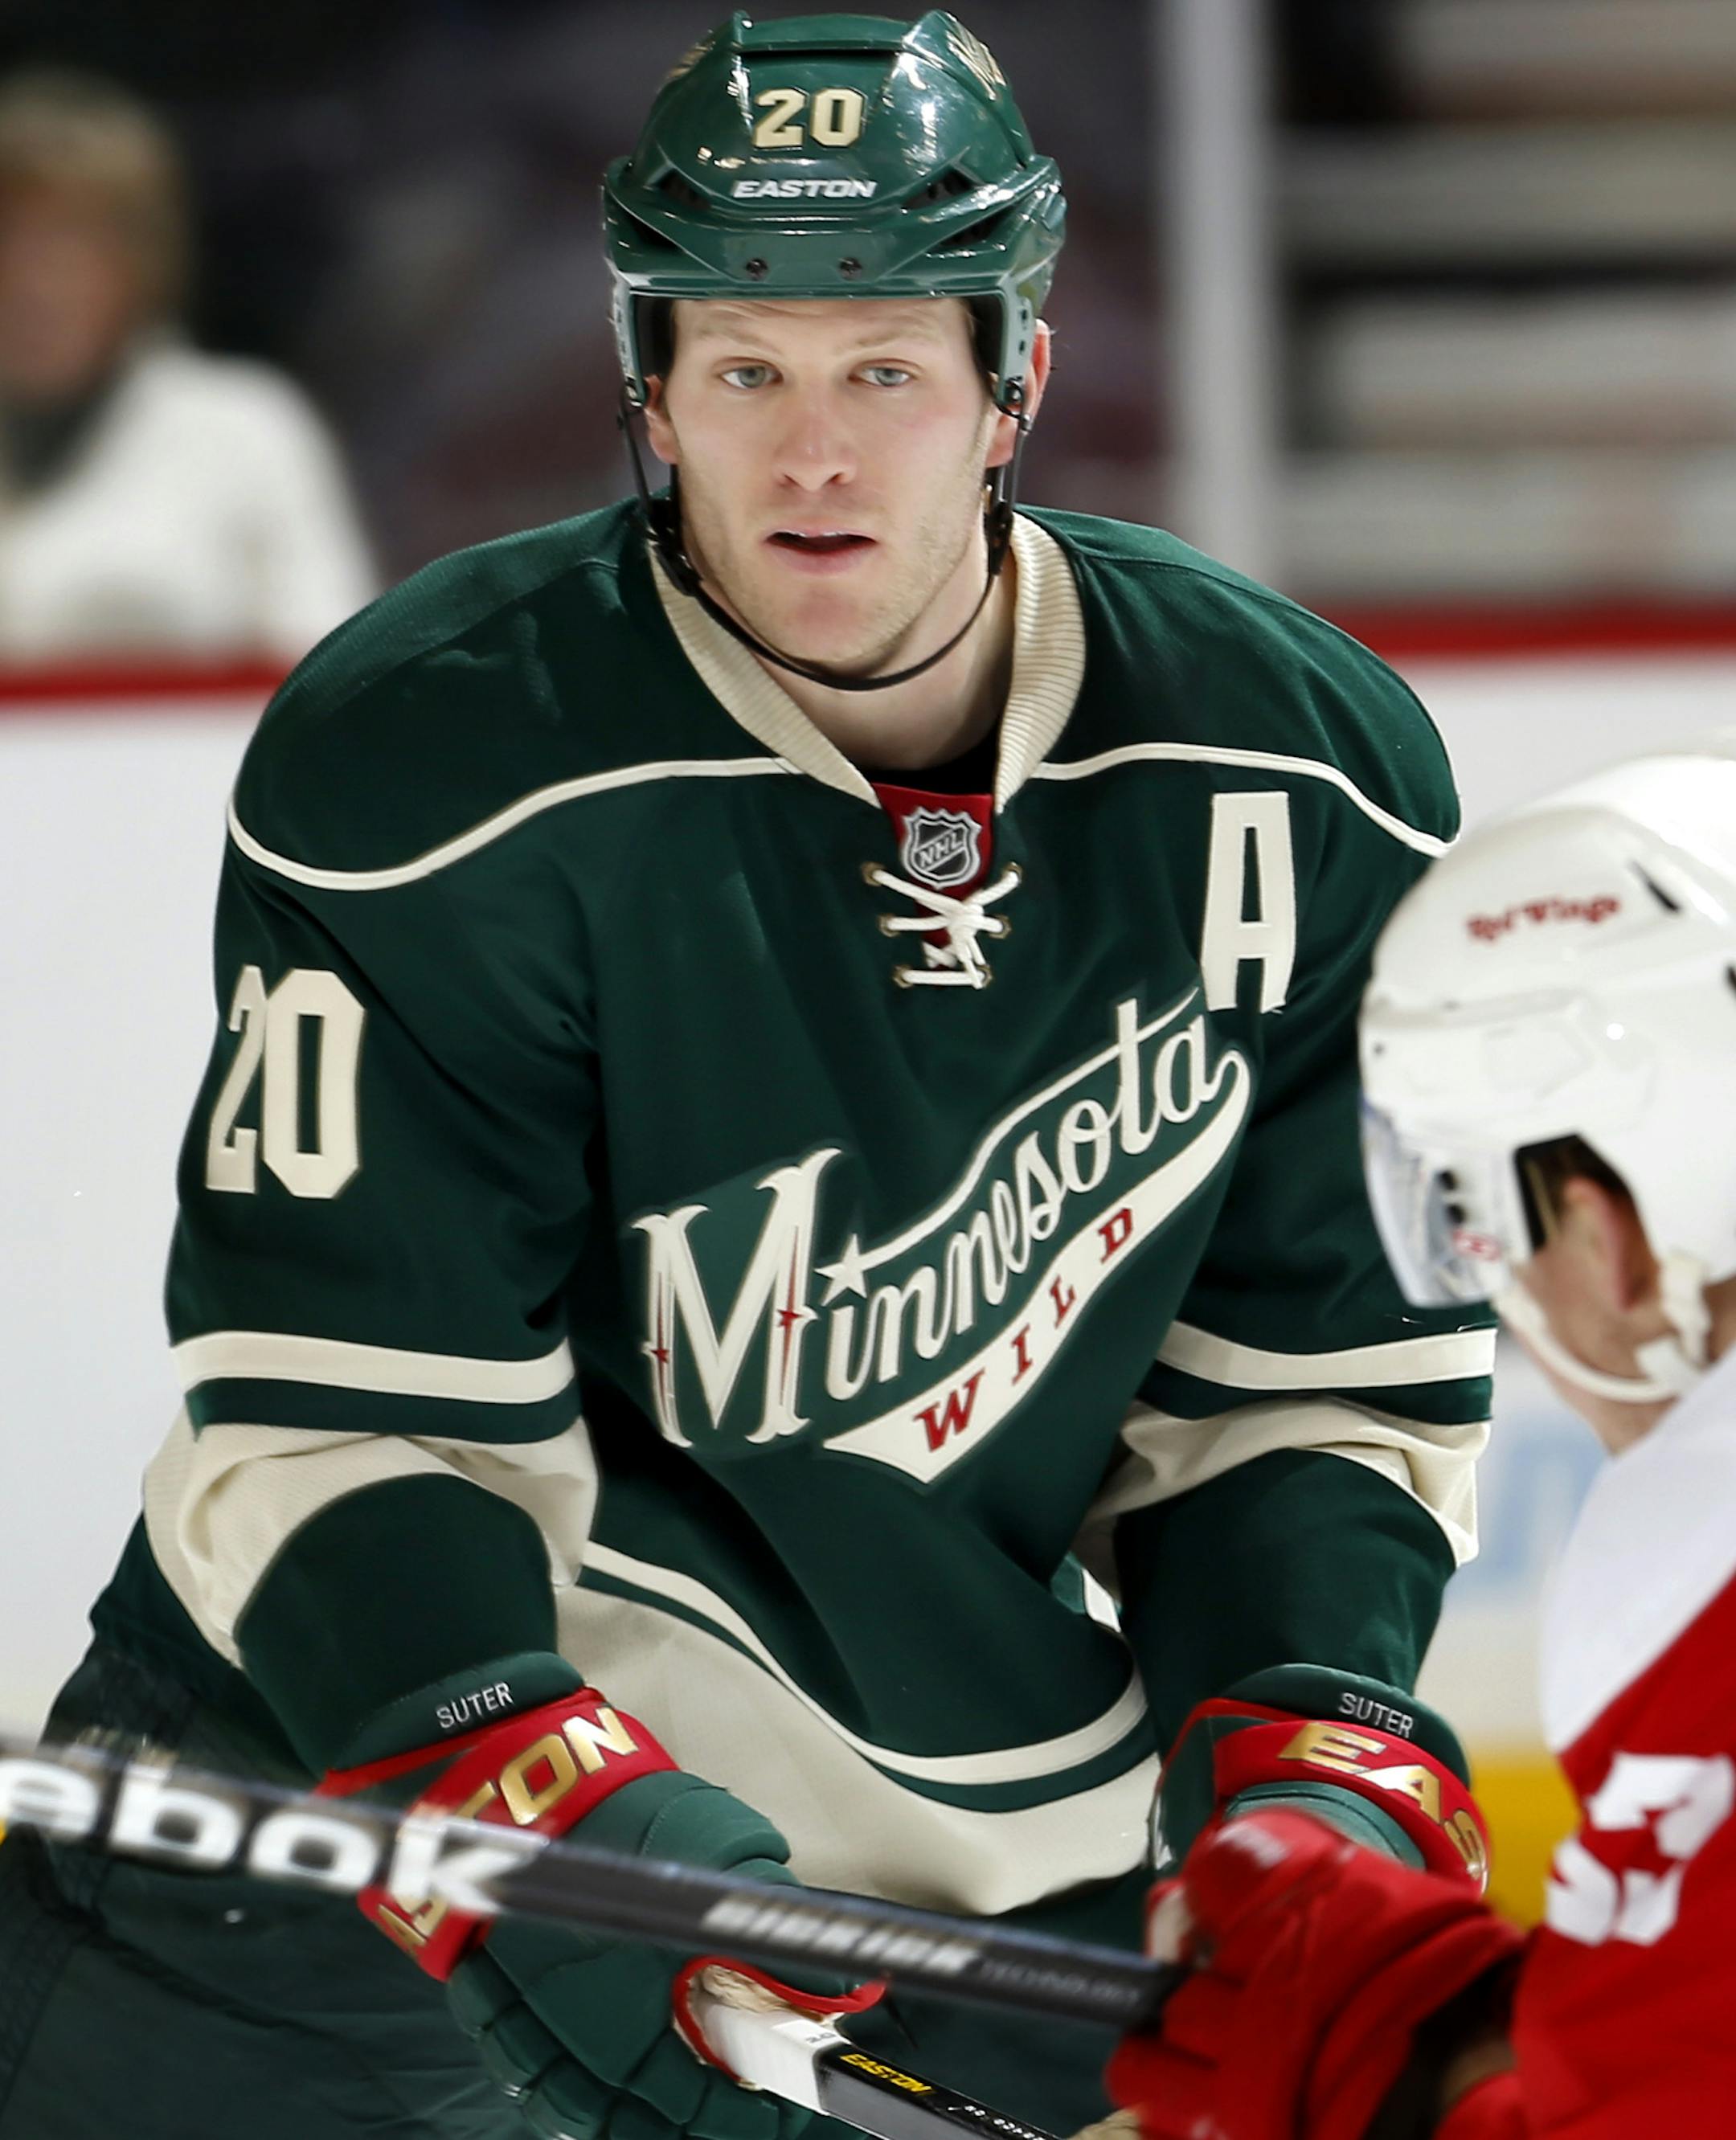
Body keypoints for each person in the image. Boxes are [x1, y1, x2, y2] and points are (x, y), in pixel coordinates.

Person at [0, 14, 1496, 2140]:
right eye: (747, 370)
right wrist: (556, 1823)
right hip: (347, 1794)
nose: (814, 453)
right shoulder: (438, 761)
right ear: (651, 390)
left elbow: (1305, 1383)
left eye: (883, 367)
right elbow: (343, 1419)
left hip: (957, 1856)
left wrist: (1307, 1757)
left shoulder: (1295, 764)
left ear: (1016, 382)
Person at [1106, 738, 1736, 2138]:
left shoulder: (1703, 1603)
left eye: (1479, 1212)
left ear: (1607, 1225)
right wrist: (1454, 2038)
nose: (1494, 1273)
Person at [0, 69, 373, 665]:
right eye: (9, 243)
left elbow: (336, 672)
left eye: (67, 244)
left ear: (143, 262)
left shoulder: (249, 425)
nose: (33, 282)